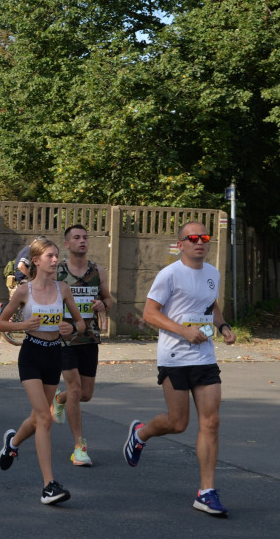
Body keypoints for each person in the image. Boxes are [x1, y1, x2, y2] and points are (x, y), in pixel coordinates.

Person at [123, 221, 237, 516]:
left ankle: (206, 491)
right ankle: (141, 434)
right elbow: (150, 313)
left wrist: (222, 326)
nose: (200, 242)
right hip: (174, 357)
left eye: (204, 237)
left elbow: (210, 305)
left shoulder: (213, 273)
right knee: (178, 423)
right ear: (181, 244)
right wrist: (184, 332)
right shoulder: (169, 274)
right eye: (193, 238)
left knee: (211, 421)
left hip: (204, 357)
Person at [0, 238, 85, 505]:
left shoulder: (64, 289)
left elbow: (80, 323)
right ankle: (49, 485)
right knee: (45, 419)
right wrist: (23, 326)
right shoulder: (24, 291)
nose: (56, 260)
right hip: (31, 355)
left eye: (57, 256)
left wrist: (71, 328)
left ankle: (13, 443)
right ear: (36, 261)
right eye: (50, 256)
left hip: (54, 354)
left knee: (37, 419)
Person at [52, 224, 113, 467]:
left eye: (85, 237)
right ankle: (79, 447)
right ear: (67, 244)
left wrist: (103, 305)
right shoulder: (57, 271)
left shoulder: (98, 270)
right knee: (76, 390)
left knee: (85, 394)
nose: (82, 241)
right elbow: (43, 298)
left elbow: (108, 298)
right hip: (64, 338)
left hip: (89, 337)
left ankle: (59, 399)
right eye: (76, 238)